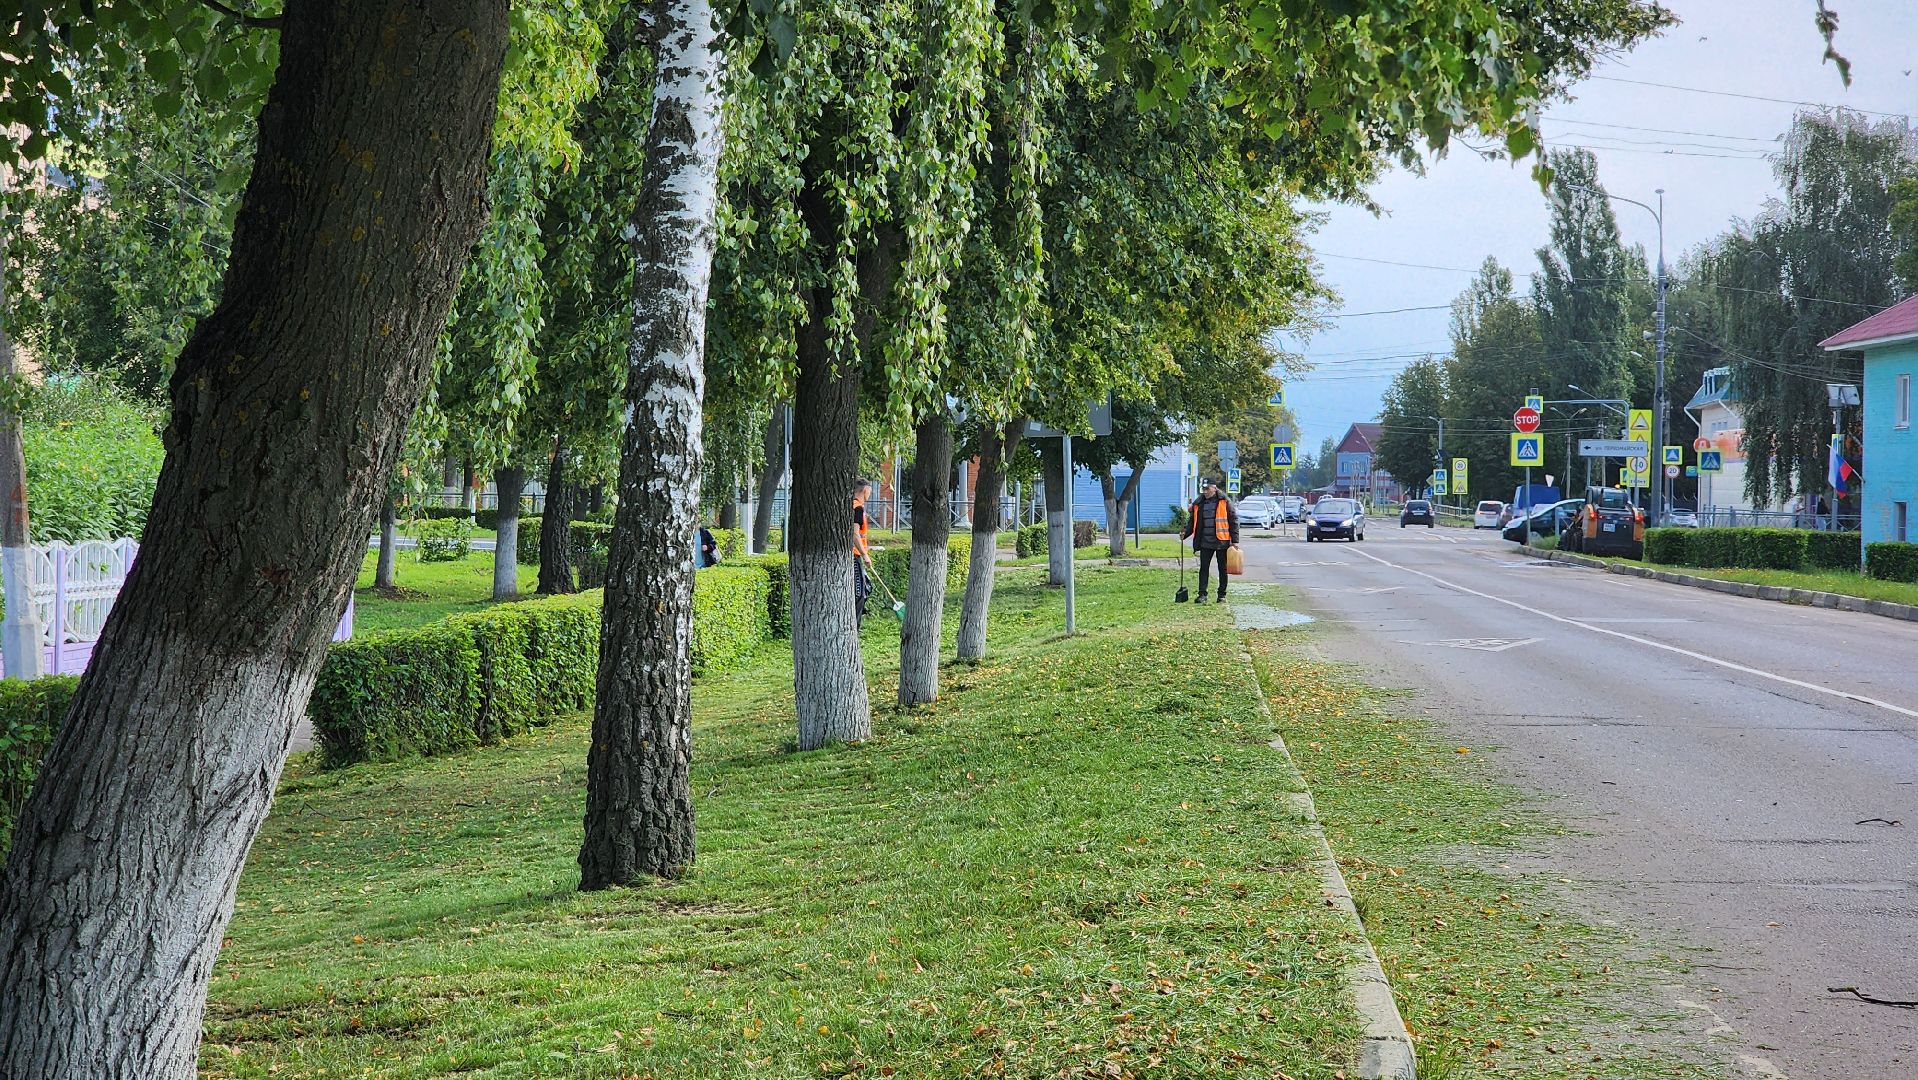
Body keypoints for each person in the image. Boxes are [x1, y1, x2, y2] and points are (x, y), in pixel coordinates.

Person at [1181, 478, 1240, 604]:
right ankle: (1202, 595)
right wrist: (1185, 534)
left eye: (1207, 489)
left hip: (1221, 541)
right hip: (1205, 542)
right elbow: (1192, 522)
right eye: (1203, 489)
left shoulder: (1224, 501)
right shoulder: (1199, 503)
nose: (1205, 492)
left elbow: (1233, 520)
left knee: (1222, 569)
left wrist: (1235, 541)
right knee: (1204, 568)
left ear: (1214, 488)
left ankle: (1222, 595)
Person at [852, 478, 874, 622]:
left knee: (866, 587)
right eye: (870, 492)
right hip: (855, 555)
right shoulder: (857, 508)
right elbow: (854, 534)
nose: (869, 495)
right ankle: (855, 626)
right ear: (865, 490)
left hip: (857, 553)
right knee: (859, 593)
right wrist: (865, 554)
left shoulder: (853, 506)